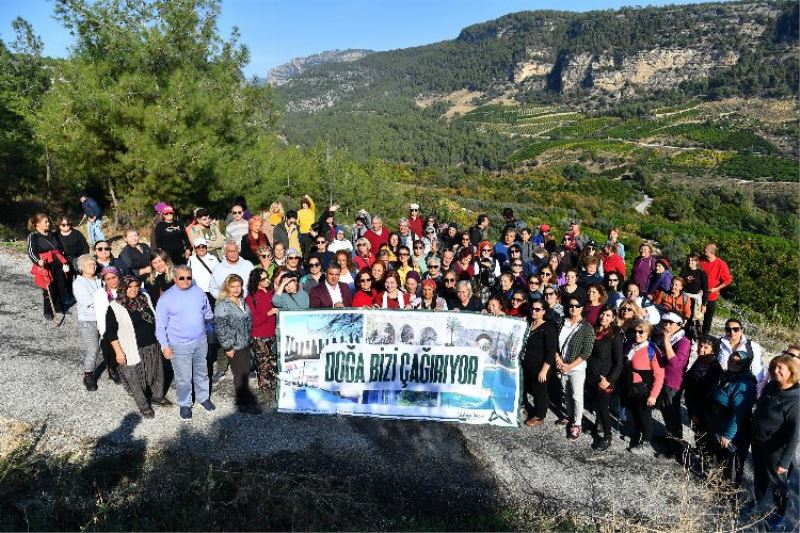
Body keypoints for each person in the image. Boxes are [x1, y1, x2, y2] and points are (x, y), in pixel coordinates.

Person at [155, 265, 215, 420]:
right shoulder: (166, 298)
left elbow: (208, 313)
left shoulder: (199, 292)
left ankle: (203, 398)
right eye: (182, 277)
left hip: (201, 341)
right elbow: (160, 326)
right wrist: (165, 346)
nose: (186, 280)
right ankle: (185, 404)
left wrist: (207, 329)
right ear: (175, 279)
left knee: (202, 372)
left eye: (189, 277)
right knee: (183, 378)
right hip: (179, 345)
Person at [107, 275, 171, 419]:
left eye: (136, 286)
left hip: (152, 345)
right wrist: (118, 352)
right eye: (130, 287)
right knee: (135, 379)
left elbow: (155, 317)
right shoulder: (115, 307)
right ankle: (143, 405)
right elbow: (110, 334)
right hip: (131, 348)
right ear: (123, 288)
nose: (134, 290)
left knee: (156, 372)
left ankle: (157, 396)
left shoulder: (145, 298)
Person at [751, 353, 799, 530]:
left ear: (791, 371)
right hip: (758, 442)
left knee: (778, 483)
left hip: (775, 449)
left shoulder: (796, 399)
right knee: (759, 475)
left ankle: (779, 515)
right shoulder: (772, 386)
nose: (774, 371)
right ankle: (757, 500)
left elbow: (795, 434)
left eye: (780, 368)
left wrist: (784, 462)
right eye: (772, 367)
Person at [704, 348, 757, 486]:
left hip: (731, 430)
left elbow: (740, 413)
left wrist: (728, 435)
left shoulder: (745, 383)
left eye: (738, 362)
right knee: (721, 458)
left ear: (745, 365)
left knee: (731, 464)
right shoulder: (728, 375)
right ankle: (720, 484)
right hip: (719, 422)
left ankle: (729, 493)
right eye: (731, 360)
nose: (733, 363)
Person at [214, 274, 260, 414]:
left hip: (245, 343)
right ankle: (242, 402)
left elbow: (248, 319)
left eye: (238, 286)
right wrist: (228, 346)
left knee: (245, 372)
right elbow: (220, 328)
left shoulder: (242, 301)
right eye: (232, 286)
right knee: (239, 374)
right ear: (227, 288)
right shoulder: (223, 305)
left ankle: (245, 398)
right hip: (233, 346)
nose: (236, 289)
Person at [555, 296, 594, 440]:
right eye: (571, 305)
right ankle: (569, 415)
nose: (574, 308)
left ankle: (577, 423)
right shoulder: (561, 323)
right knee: (566, 392)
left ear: (582, 308)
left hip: (576, 367)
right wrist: (557, 358)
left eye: (577, 306)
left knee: (577, 395)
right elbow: (554, 342)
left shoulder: (587, 328)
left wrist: (569, 366)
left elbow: (586, 352)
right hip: (561, 364)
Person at [622, 320, 664, 455]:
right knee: (634, 412)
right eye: (635, 331)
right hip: (631, 386)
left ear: (649, 334)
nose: (637, 334)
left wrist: (653, 395)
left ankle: (646, 441)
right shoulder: (632, 345)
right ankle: (637, 432)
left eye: (641, 332)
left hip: (644, 389)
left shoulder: (652, 350)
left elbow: (659, 375)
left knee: (644, 415)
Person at [585, 305, 624, 451]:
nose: (604, 317)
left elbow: (619, 362)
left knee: (603, 407)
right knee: (596, 404)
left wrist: (609, 380)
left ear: (613, 318)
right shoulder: (594, 329)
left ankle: (607, 436)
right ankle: (597, 427)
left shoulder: (616, 334)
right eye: (603, 314)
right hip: (592, 374)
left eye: (608, 315)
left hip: (605, 377)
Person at [656, 312, 692, 459]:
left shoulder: (684, 342)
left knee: (672, 415)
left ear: (679, 325)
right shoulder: (669, 337)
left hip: (673, 383)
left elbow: (676, 363)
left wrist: (665, 340)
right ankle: (669, 437)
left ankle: (675, 448)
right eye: (665, 322)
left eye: (671, 323)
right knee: (665, 411)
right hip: (663, 380)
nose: (667, 326)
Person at [683, 335, 723, 457]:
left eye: (706, 347)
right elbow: (690, 376)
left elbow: (708, 395)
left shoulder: (715, 369)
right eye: (700, 345)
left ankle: (707, 464)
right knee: (697, 431)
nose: (701, 349)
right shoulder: (700, 360)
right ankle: (700, 450)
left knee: (705, 434)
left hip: (703, 409)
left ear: (713, 351)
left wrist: (697, 412)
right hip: (692, 403)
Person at [522, 300, 557, 428]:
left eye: (537, 309)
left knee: (539, 392)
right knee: (524, 387)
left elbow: (551, 351)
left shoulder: (549, 327)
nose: (534, 311)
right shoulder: (529, 324)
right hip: (527, 364)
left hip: (540, 366)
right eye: (532, 308)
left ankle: (539, 416)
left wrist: (544, 370)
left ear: (544, 311)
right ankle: (525, 406)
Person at [27, 213, 69, 319]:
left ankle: (58, 307)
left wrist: (63, 260)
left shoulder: (52, 234)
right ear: (37, 224)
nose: (48, 224)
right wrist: (37, 261)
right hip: (45, 266)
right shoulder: (33, 236)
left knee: (61, 285)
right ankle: (48, 311)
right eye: (45, 222)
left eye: (48, 221)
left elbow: (59, 247)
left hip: (57, 264)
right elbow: (31, 252)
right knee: (48, 288)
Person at [73, 254, 102, 391]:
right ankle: (88, 375)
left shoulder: (99, 280)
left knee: (107, 346)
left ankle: (112, 370)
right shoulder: (78, 283)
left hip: (103, 318)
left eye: (94, 264)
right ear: (81, 268)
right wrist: (105, 298)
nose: (93, 266)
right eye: (90, 264)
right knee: (93, 349)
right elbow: (87, 302)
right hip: (87, 320)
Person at [718, 318, 766, 394]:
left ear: (741, 330)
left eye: (735, 329)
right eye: (728, 329)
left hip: (741, 388)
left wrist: (753, 389)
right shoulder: (719, 344)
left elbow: (757, 369)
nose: (732, 332)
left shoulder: (752, 346)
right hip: (720, 385)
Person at [95, 266, 123, 385]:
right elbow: (100, 314)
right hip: (108, 325)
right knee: (109, 348)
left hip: (123, 324)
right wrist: (103, 332)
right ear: (104, 280)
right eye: (108, 279)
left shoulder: (125, 289)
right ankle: (111, 369)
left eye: (114, 277)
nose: (112, 281)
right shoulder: (100, 294)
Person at [700, 243, 733, 335]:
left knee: (707, 320)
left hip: (711, 296)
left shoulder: (721, 264)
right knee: (695, 317)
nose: (703, 252)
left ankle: (704, 337)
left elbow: (728, 280)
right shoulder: (701, 261)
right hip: (699, 294)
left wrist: (716, 289)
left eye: (705, 251)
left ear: (712, 253)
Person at [680, 253, 708, 338]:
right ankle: (682, 336)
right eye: (688, 260)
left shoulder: (701, 273)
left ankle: (693, 338)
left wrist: (704, 304)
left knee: (695, 320)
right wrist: (685, 280)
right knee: (683, 318)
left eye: (692, 260)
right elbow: (679, 283)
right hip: (684, 298)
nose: (690, 262)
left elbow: (705, 289)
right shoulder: (684, 271)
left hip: (695, 299)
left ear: (697, 262)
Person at [187, 238, 220, 303]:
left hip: (212, 291)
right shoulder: (191, 260)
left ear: (206, 247)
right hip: (198, 292)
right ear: (195, 249)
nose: (201, 249)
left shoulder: (213, 258)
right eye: (198, 247)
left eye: (203, 246)